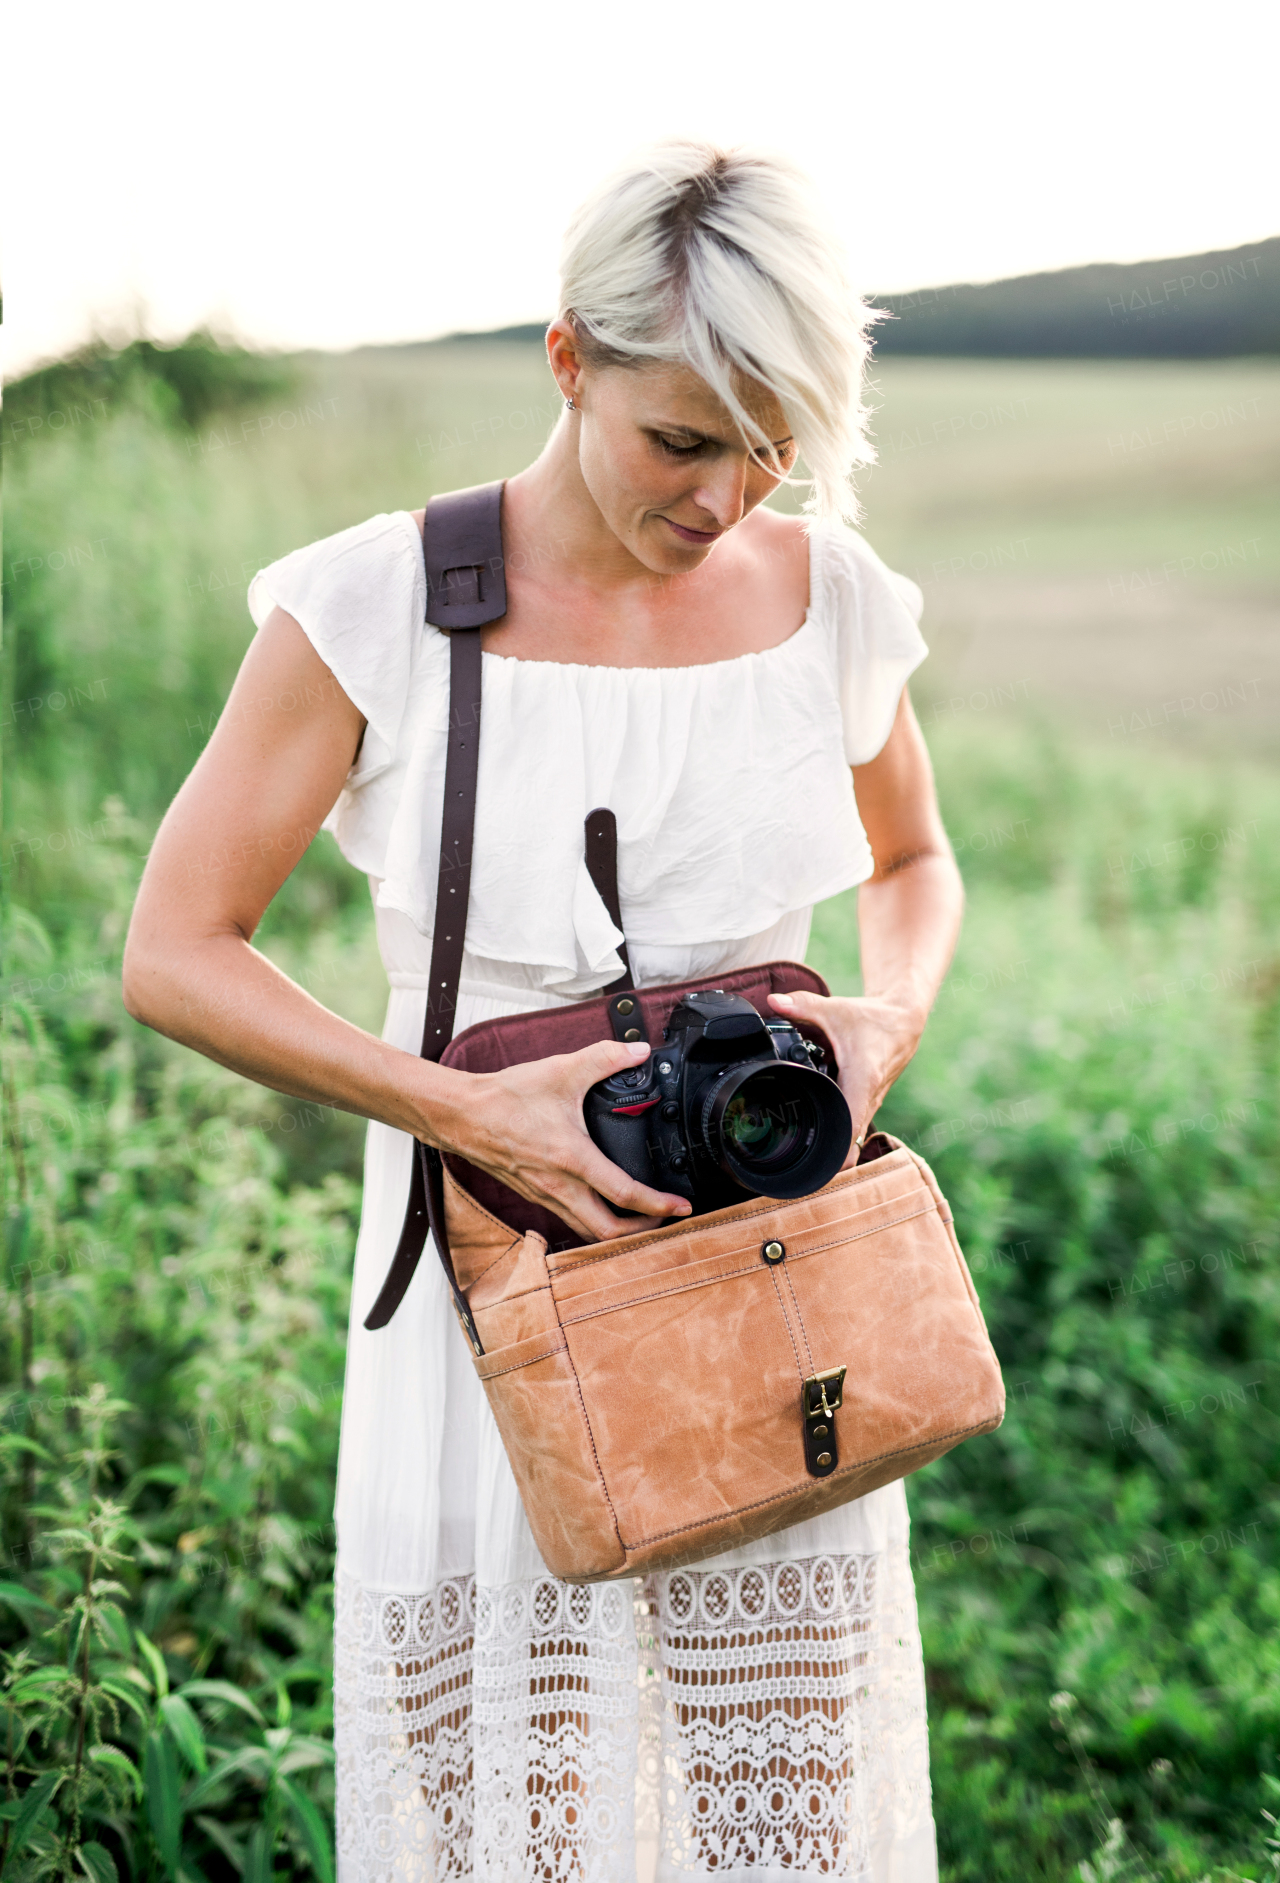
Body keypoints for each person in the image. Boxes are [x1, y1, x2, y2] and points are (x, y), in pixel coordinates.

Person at [125, 140, 963, 1882]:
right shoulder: (377, 607)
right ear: (568, 361)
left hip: (769, 1268)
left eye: (771, 444)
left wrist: (885, 1020)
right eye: (682, 437)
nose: (729, 495)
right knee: (514, 1798)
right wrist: (458, 1108)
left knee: (774, 1782)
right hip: (493, 1277)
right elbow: (176, 947)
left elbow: (919, 859)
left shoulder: (833, 605)